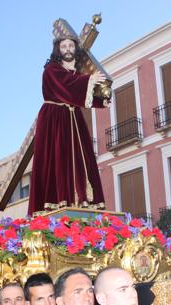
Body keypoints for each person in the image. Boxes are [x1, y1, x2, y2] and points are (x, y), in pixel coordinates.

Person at [27, 35, 109, 215]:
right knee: (57, 159)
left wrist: (99, 101)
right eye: (64, 46)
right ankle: (56, 203)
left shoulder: (76, 74)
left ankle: (83, 200)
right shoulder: (51, 70)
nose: (68, 49)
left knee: (81, 159)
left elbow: (77, 95)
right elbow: (65, 87)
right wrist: (89, 80)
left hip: (73, 118)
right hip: (54, 119)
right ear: (58, 50)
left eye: (71, 45)